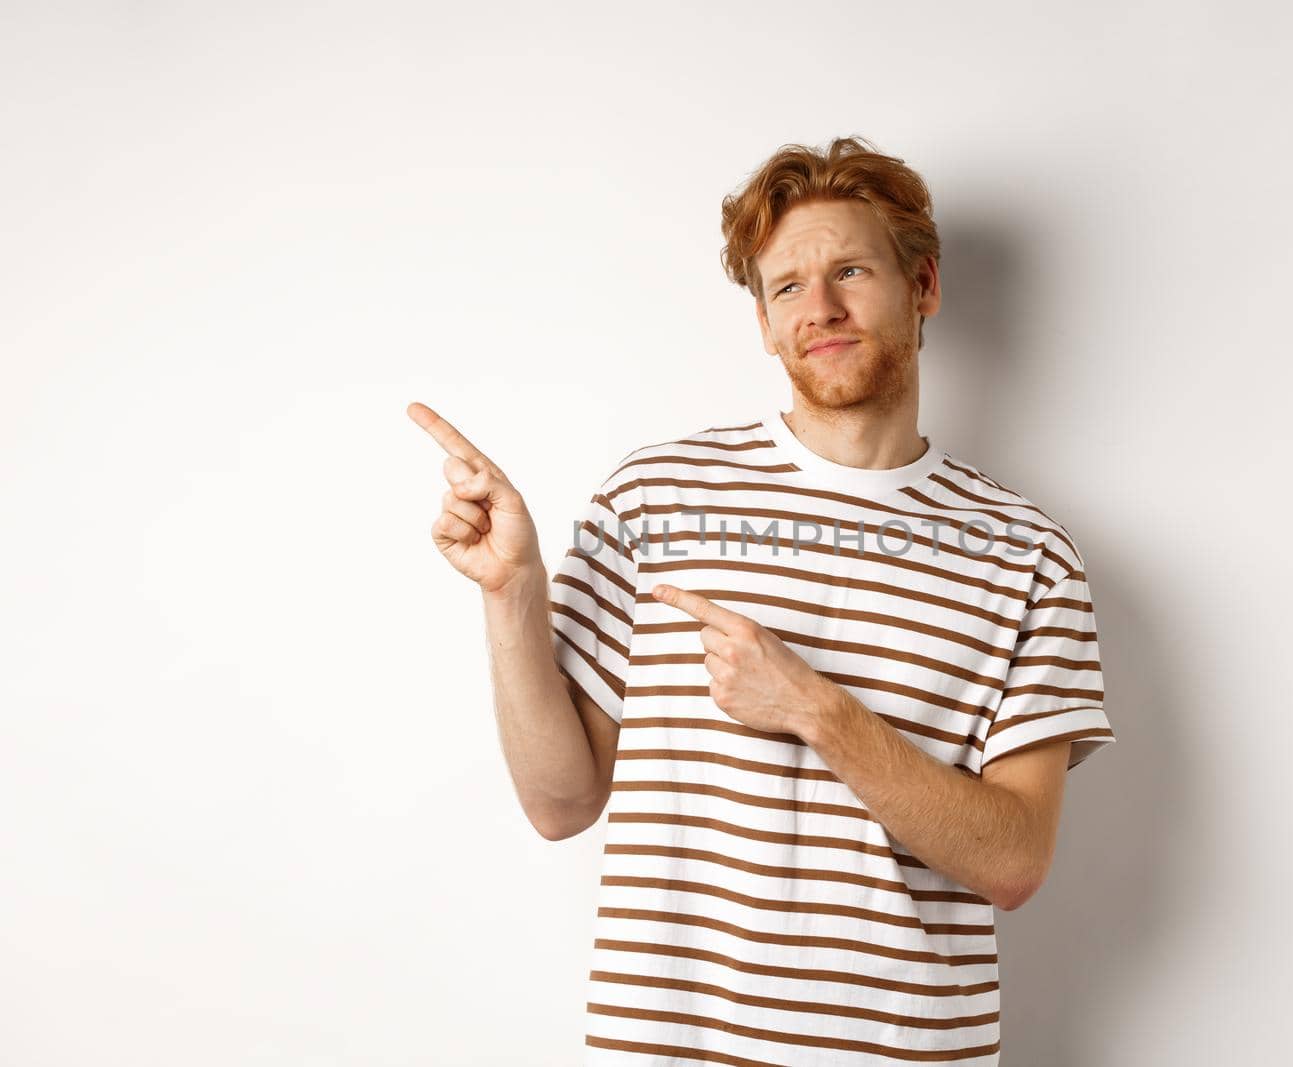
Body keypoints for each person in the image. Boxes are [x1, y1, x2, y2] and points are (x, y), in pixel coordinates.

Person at [408, 135, 1115, 1065]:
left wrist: (814, 709)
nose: (819, 307)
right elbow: (560, 801)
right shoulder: (657, 498)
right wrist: (513, 593)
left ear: (925, 285)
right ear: (765, 321)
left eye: (851, 270)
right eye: (786, 286)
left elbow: (1014, 860)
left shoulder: (1028, 554)